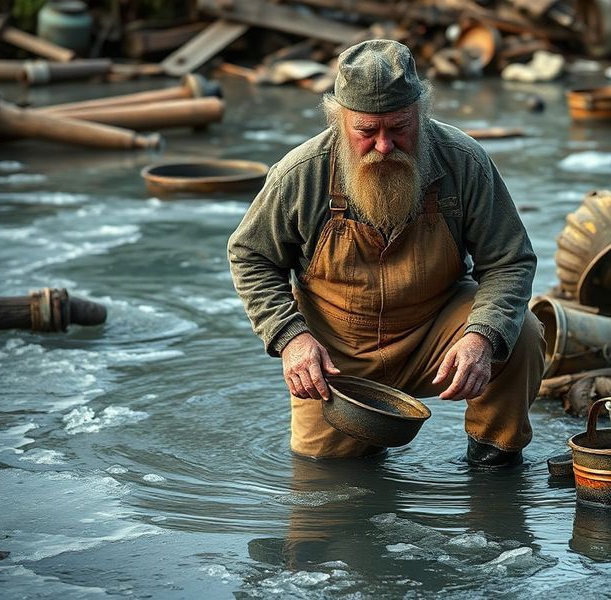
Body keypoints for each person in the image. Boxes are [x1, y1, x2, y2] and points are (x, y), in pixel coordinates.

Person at [228, 39, 545, 468]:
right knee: (325, 482)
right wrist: (290, 338)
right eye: (366, 132)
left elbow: (510, 260)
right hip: (337, 354)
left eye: (399, 128)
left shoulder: (464, 162)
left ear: (421, 113)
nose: (383, 146)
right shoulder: (300, 174)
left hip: (435, 333)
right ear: (339, 121)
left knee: (519, 330)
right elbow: (250, 257)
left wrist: (480, 337)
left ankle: (493, 464)